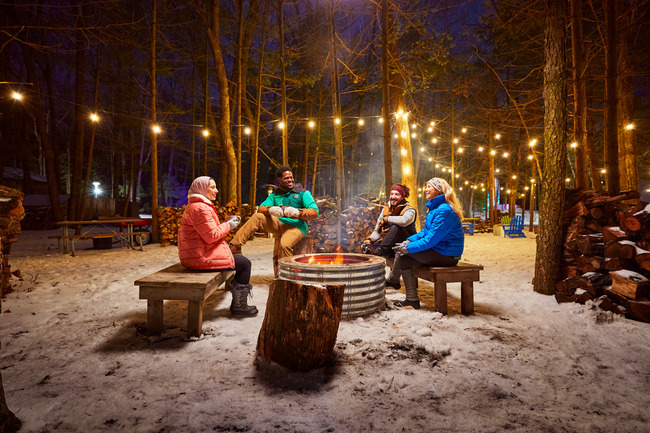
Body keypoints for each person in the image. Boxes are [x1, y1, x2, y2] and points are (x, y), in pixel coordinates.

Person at [178, 176, 258, 318]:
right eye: (212, 187)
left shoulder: (198, 206)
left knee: (237, 256)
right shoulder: (200, 208)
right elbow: (211, 236)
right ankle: (239, 306)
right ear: (202, 189)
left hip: (198, 254)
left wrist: (225, 223)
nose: (216, 190)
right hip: (200, 257)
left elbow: (207, 232)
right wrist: (229, 225)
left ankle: (238, 303)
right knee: (245, 264)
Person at [386, 177, 464, 309]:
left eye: (429, 186)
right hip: (439, 250)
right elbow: (425, 232)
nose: (425, 189)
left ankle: (394, 281)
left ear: (438, 190)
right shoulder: (435, 208)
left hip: (447, 254)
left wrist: (408, 248)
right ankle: (411, 299)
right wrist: (409, 240)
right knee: (404, 259)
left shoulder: (444, 210)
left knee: (403, 253)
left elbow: (430, 240)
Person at [229, 166, 319, 275]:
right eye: (286, 178)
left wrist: (298, 213)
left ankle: (286, 273)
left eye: (291, 177)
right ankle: (235, 246)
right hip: (278, 224)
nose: (290, 180)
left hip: (296, 226)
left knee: (284, 245)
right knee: (257, 217)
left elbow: (315, 212)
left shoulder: (303, 193)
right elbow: (261, 208)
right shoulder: (275, 194)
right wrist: (270, 209)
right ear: (279, 180)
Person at [361, 184, 417, 257]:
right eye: (392, 194)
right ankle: (377, 256)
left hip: (406, 244)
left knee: (395, 226)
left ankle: (381, 251)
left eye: (397, 194)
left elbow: (404, 221)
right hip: (391, 244)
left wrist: (387, 219)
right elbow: (377, 231)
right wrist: (369, 239)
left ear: (402, 197)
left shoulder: (410, 210)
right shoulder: (385, 210)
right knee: (373, 246)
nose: (393, 197)